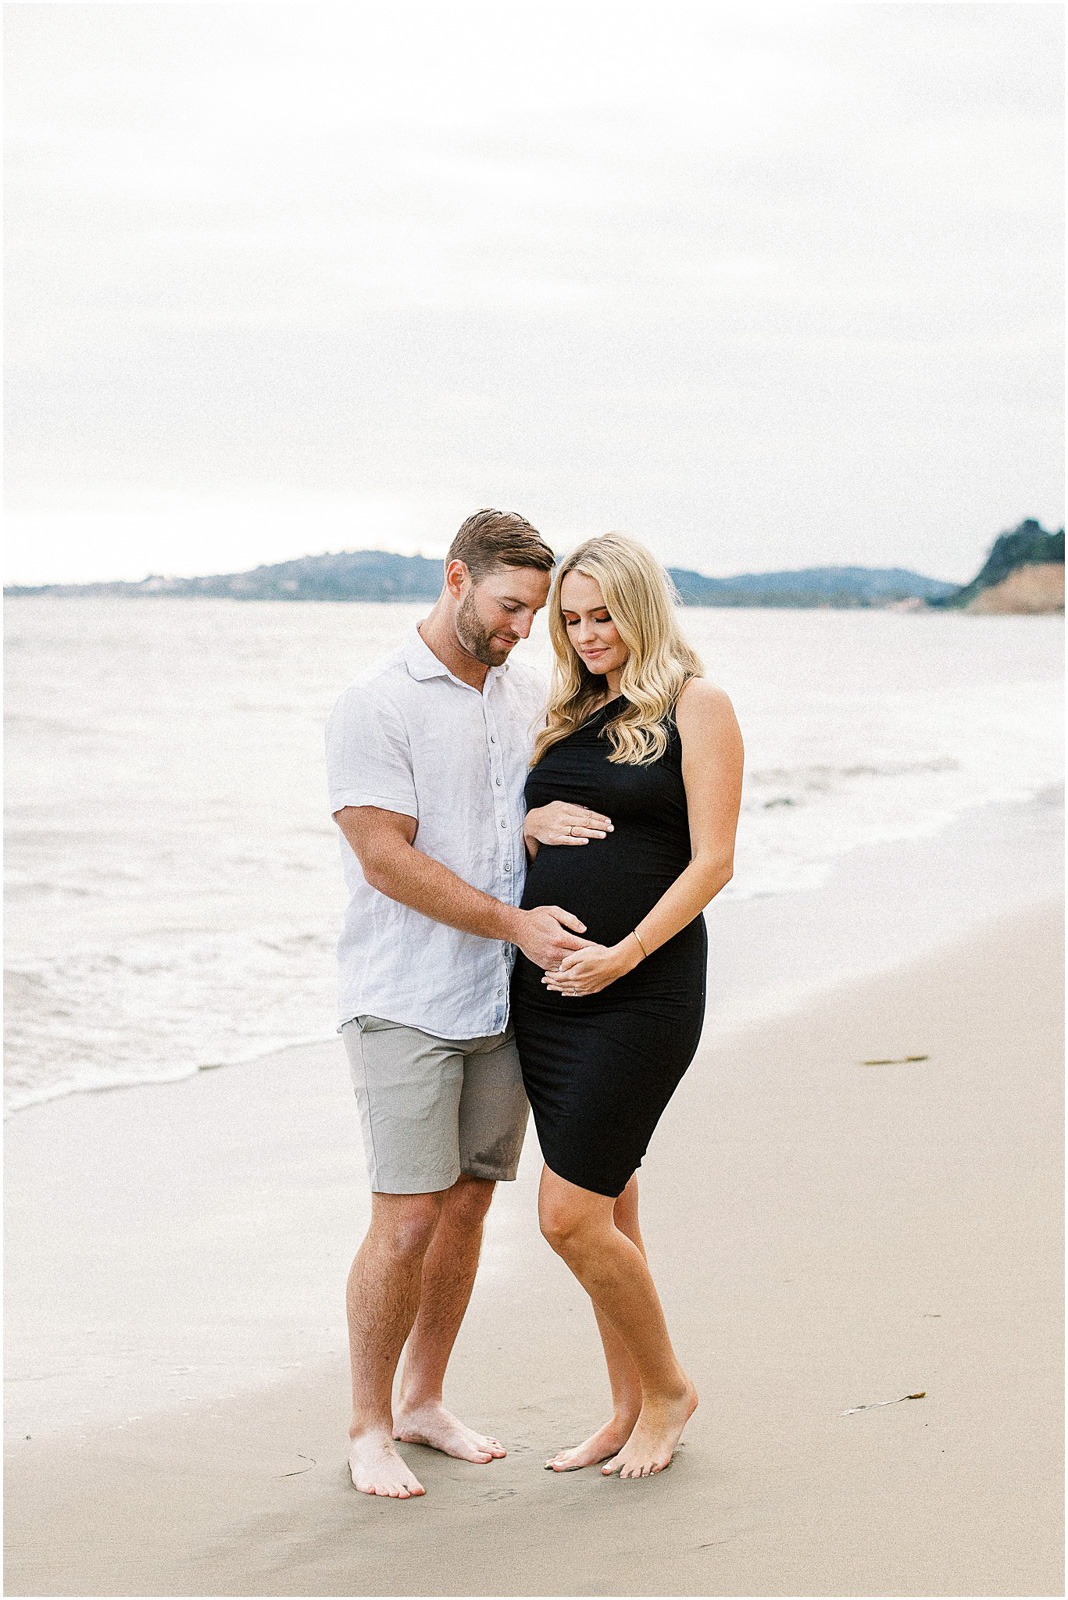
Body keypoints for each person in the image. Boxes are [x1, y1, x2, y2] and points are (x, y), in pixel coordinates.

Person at [325, 508, 610, 1501]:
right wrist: (515, 924)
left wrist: (537, 819)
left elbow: (507, 818)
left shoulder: (524, 694)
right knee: (404, 1221)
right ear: (457, 577)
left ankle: (423, 1399)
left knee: (466, 1210)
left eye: (536, 610)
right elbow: (386, 858)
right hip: (403, 995)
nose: (523, 628)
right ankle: (368, 1423)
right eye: (509, 605)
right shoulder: (377, 701)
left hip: (499, 999)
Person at [511, 531, 744, 1480]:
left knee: (567, 1216)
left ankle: (669, 1392)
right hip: (549, 998)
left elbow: (714, 861)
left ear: (643, 607)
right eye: (571, 618)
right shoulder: (564, 711)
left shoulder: (700, 704)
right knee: (610, 1204)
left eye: (603, 614)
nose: (586, 632)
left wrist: (623, 956)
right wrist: (526, 821)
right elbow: (511, 827)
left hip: (640, 992)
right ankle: (624, 1406)